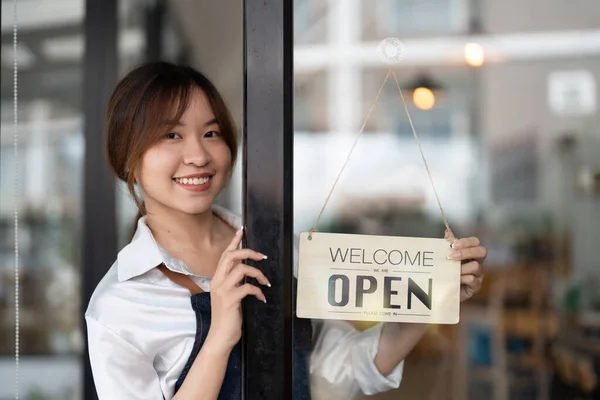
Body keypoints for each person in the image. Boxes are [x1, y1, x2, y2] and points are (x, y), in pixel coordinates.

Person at [85, 62, 487, 399]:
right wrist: (221, 335)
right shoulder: (120, 306)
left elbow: (344, 367)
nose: (198, 155)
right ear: (128, 158)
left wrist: (427, 299)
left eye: (211, 133)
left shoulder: (276, 254)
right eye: (171, 135)